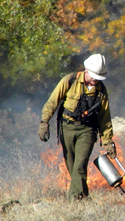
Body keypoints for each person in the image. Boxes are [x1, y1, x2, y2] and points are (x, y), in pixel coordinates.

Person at [38, 54, 116, 201]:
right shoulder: (69, 81)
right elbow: (52, 102)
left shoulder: (101, 90)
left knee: (80, 165)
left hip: (87, 131)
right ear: (86, 70)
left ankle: (74, 199)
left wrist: (108, 142)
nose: (95, 80)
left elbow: (104, 118)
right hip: (66, 128)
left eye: (98, 78)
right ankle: (84, 197)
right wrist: (44, 123)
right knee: (72, 166)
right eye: (93, 76)